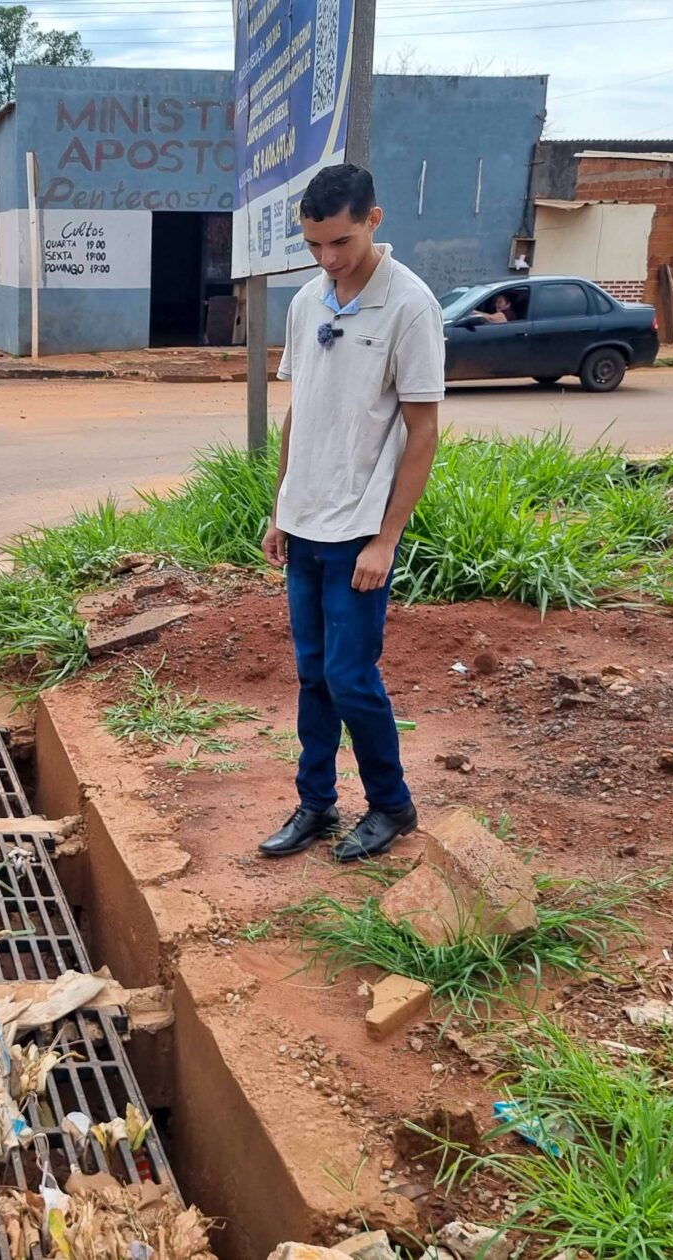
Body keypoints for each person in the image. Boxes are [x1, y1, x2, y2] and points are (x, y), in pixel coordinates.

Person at [257, 164, 442, 864]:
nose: (329, 259)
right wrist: (281, 508)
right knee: (312, 673)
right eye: (314, 246)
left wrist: (386, 540)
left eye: (339, 242)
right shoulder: (308, 302)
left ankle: (392, 806)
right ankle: (316, 802)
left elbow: (423, 432)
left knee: (351, 676)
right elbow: (300, 414)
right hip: (304, 524)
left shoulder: (410, 306)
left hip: (360, 531)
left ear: (374, 219)